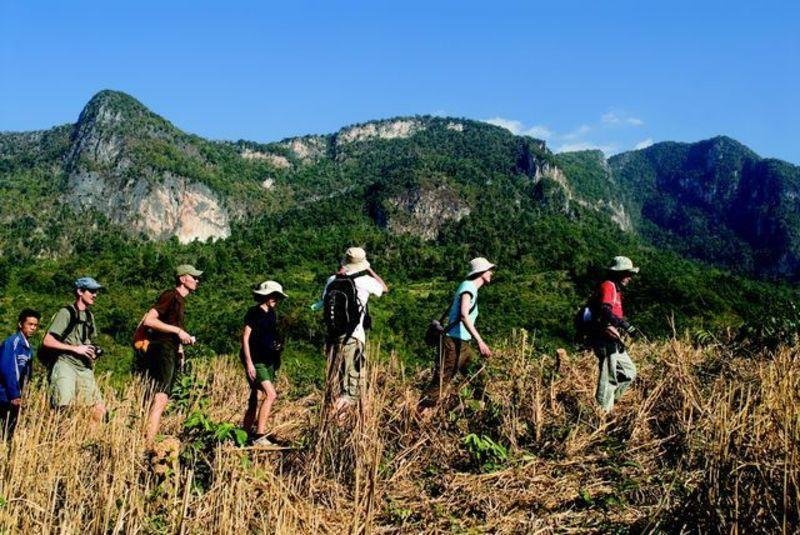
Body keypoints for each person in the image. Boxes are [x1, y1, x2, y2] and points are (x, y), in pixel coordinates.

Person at [419, 257, 495, 409]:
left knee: (478, 376)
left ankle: (485, 409)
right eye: (489, 270)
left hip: (463, 343)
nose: (491, 273)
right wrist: (480, 341)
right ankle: (419, 412)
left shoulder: (470, 287)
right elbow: (463, 315)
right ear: (481, 272)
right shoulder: (468, 288)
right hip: (452, 343)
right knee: (441, 381)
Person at [321, 247, 388, 412]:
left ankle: (332, 429)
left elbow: (323, 302)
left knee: (334, 384)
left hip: (333, 337)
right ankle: (334, 418)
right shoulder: (365, 281)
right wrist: (369, 269)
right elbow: (384, 288)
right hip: (354, 338)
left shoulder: (331, 280)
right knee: (351, 390)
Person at [142, 264, 201, 447]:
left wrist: (180, 348)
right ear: (183, 279)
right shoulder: (170, 296)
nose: (197, 280)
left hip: (170, 349)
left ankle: (149, 436)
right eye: (194, 277)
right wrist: (178, 331)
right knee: (161, 395)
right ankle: (149, 441)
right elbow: (149, 320)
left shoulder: (180, 301)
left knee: (162, 395)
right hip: (162, 349)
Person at [42, 277, 107, 423]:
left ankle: (93, 443)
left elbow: (88, 342)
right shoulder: (66, 313)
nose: (95, 294)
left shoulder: (90, 316)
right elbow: (47, 340)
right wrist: (75, 349)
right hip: (65, 363)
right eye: (91, 291)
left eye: (96, 291)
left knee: (99, 410)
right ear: (80, 291)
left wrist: (93, 351)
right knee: (63, 408)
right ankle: (57, 441)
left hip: (84, 367)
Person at [241, 280, 287, 446]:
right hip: (256, 360)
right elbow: (245, 337)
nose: (275, 299)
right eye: (273, 295)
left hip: (269, 360)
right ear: (265, 296)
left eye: (277, 296)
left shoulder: (272, 314)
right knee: (271, 394)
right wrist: (249, 363)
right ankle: (259, 435)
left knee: (256, 396)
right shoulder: (254, 312)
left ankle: (245, 434)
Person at [592, 256, 639, 413]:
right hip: (604, 338)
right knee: (609, 377)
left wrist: (625, 325)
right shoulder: (608, 286)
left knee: (629, 372)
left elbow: (614, 313)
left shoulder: (616, 290)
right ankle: (601, 413)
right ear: (618, 273)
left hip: (613, 339)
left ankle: (610, 403)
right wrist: (624, 325)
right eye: (626, 273)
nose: (629, 277)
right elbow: (605, 311)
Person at [0, 309, 40, 438]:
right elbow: (7, 369)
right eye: (30, 324)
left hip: (14, 397)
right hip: (4, 396)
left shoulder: (27, 347)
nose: (33, 328)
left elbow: (26, 374)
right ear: (20, 324)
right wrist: (14, 394)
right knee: (4, 431)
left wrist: (25, 392)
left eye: (35, 325)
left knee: (9, 432)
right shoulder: (12, 343)